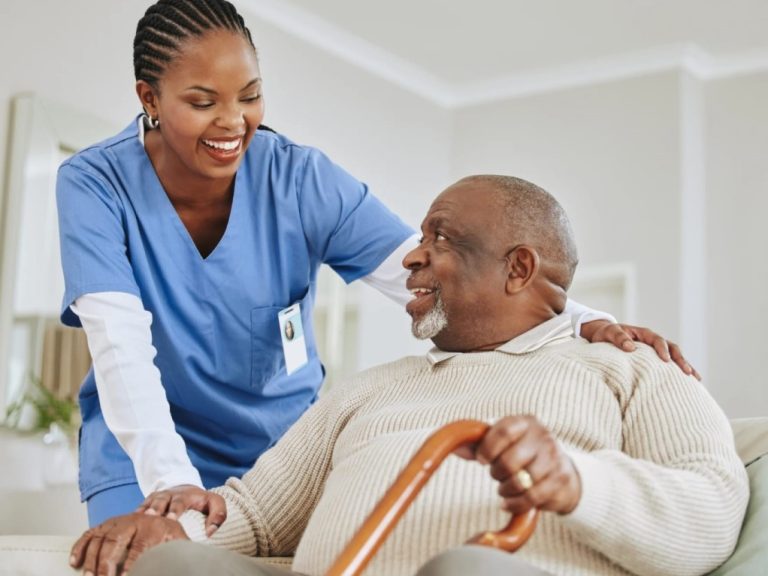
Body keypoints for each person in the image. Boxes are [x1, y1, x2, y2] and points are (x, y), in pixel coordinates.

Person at [57, 0, 697, 528]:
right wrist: (171, 483)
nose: (233, 122)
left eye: (250, 96)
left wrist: (580, 318)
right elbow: (120, 347)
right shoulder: (94, 185)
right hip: (144, 449)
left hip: (279, 455)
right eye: (202, 102)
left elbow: (428, 272)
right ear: (150, 97)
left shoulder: (298, 179)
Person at [70, 175, 747, 576]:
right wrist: (170, 531)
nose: (411, 259)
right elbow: (254, 516)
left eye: (440, 239)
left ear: (518, 268)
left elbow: (714, 510)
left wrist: (578, 483)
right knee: (172, 566)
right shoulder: (369, 388)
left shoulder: (631, 368)